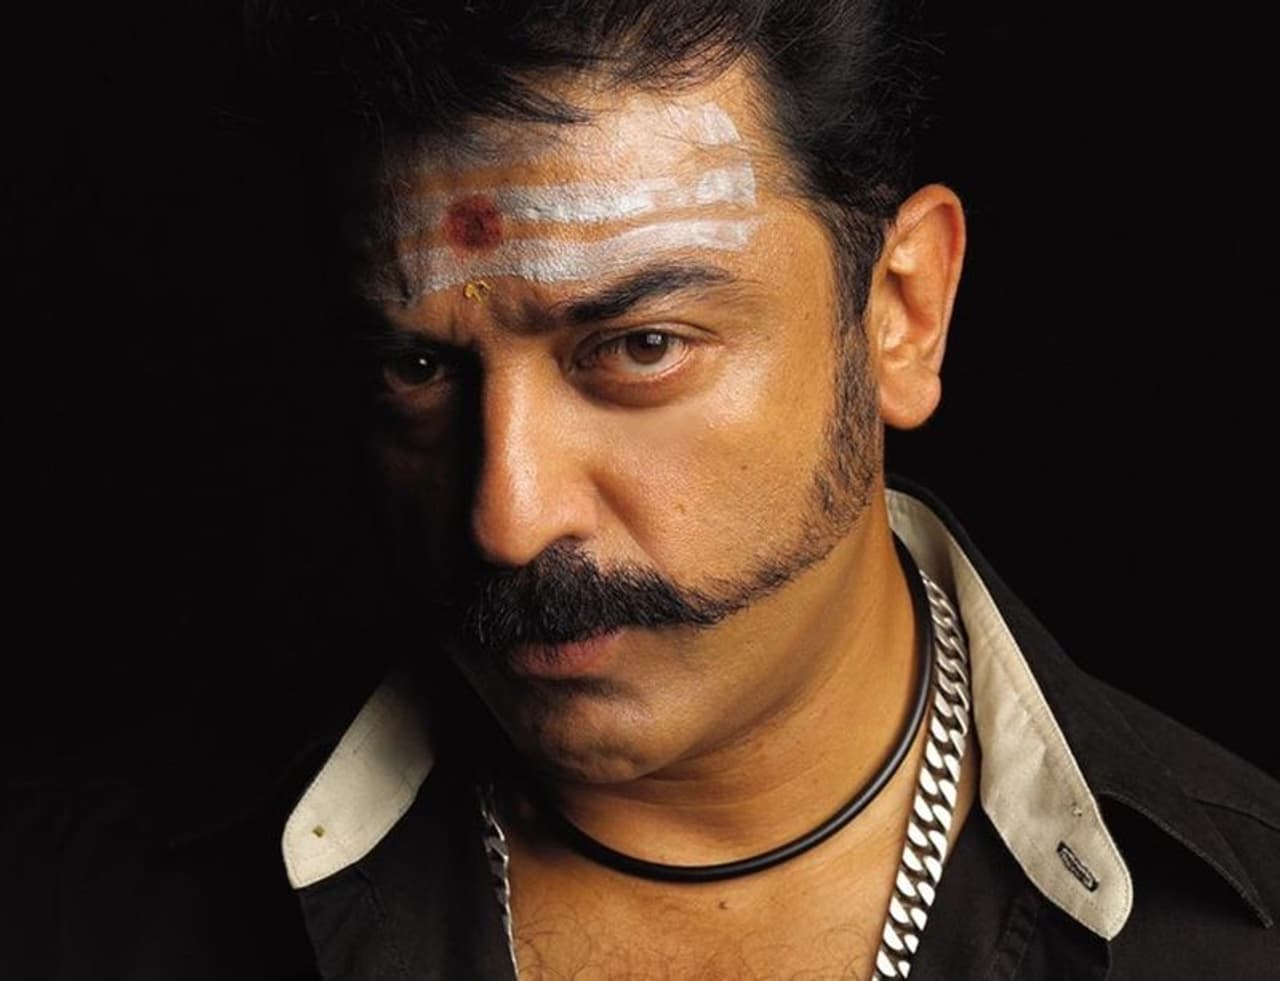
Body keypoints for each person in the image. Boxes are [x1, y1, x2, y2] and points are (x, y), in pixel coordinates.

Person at [13, 2, 1273, 979]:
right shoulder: (74, 905)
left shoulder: (1235, 933)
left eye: (638, 347)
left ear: (900, 313)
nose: (504, 520)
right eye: (419, 367)